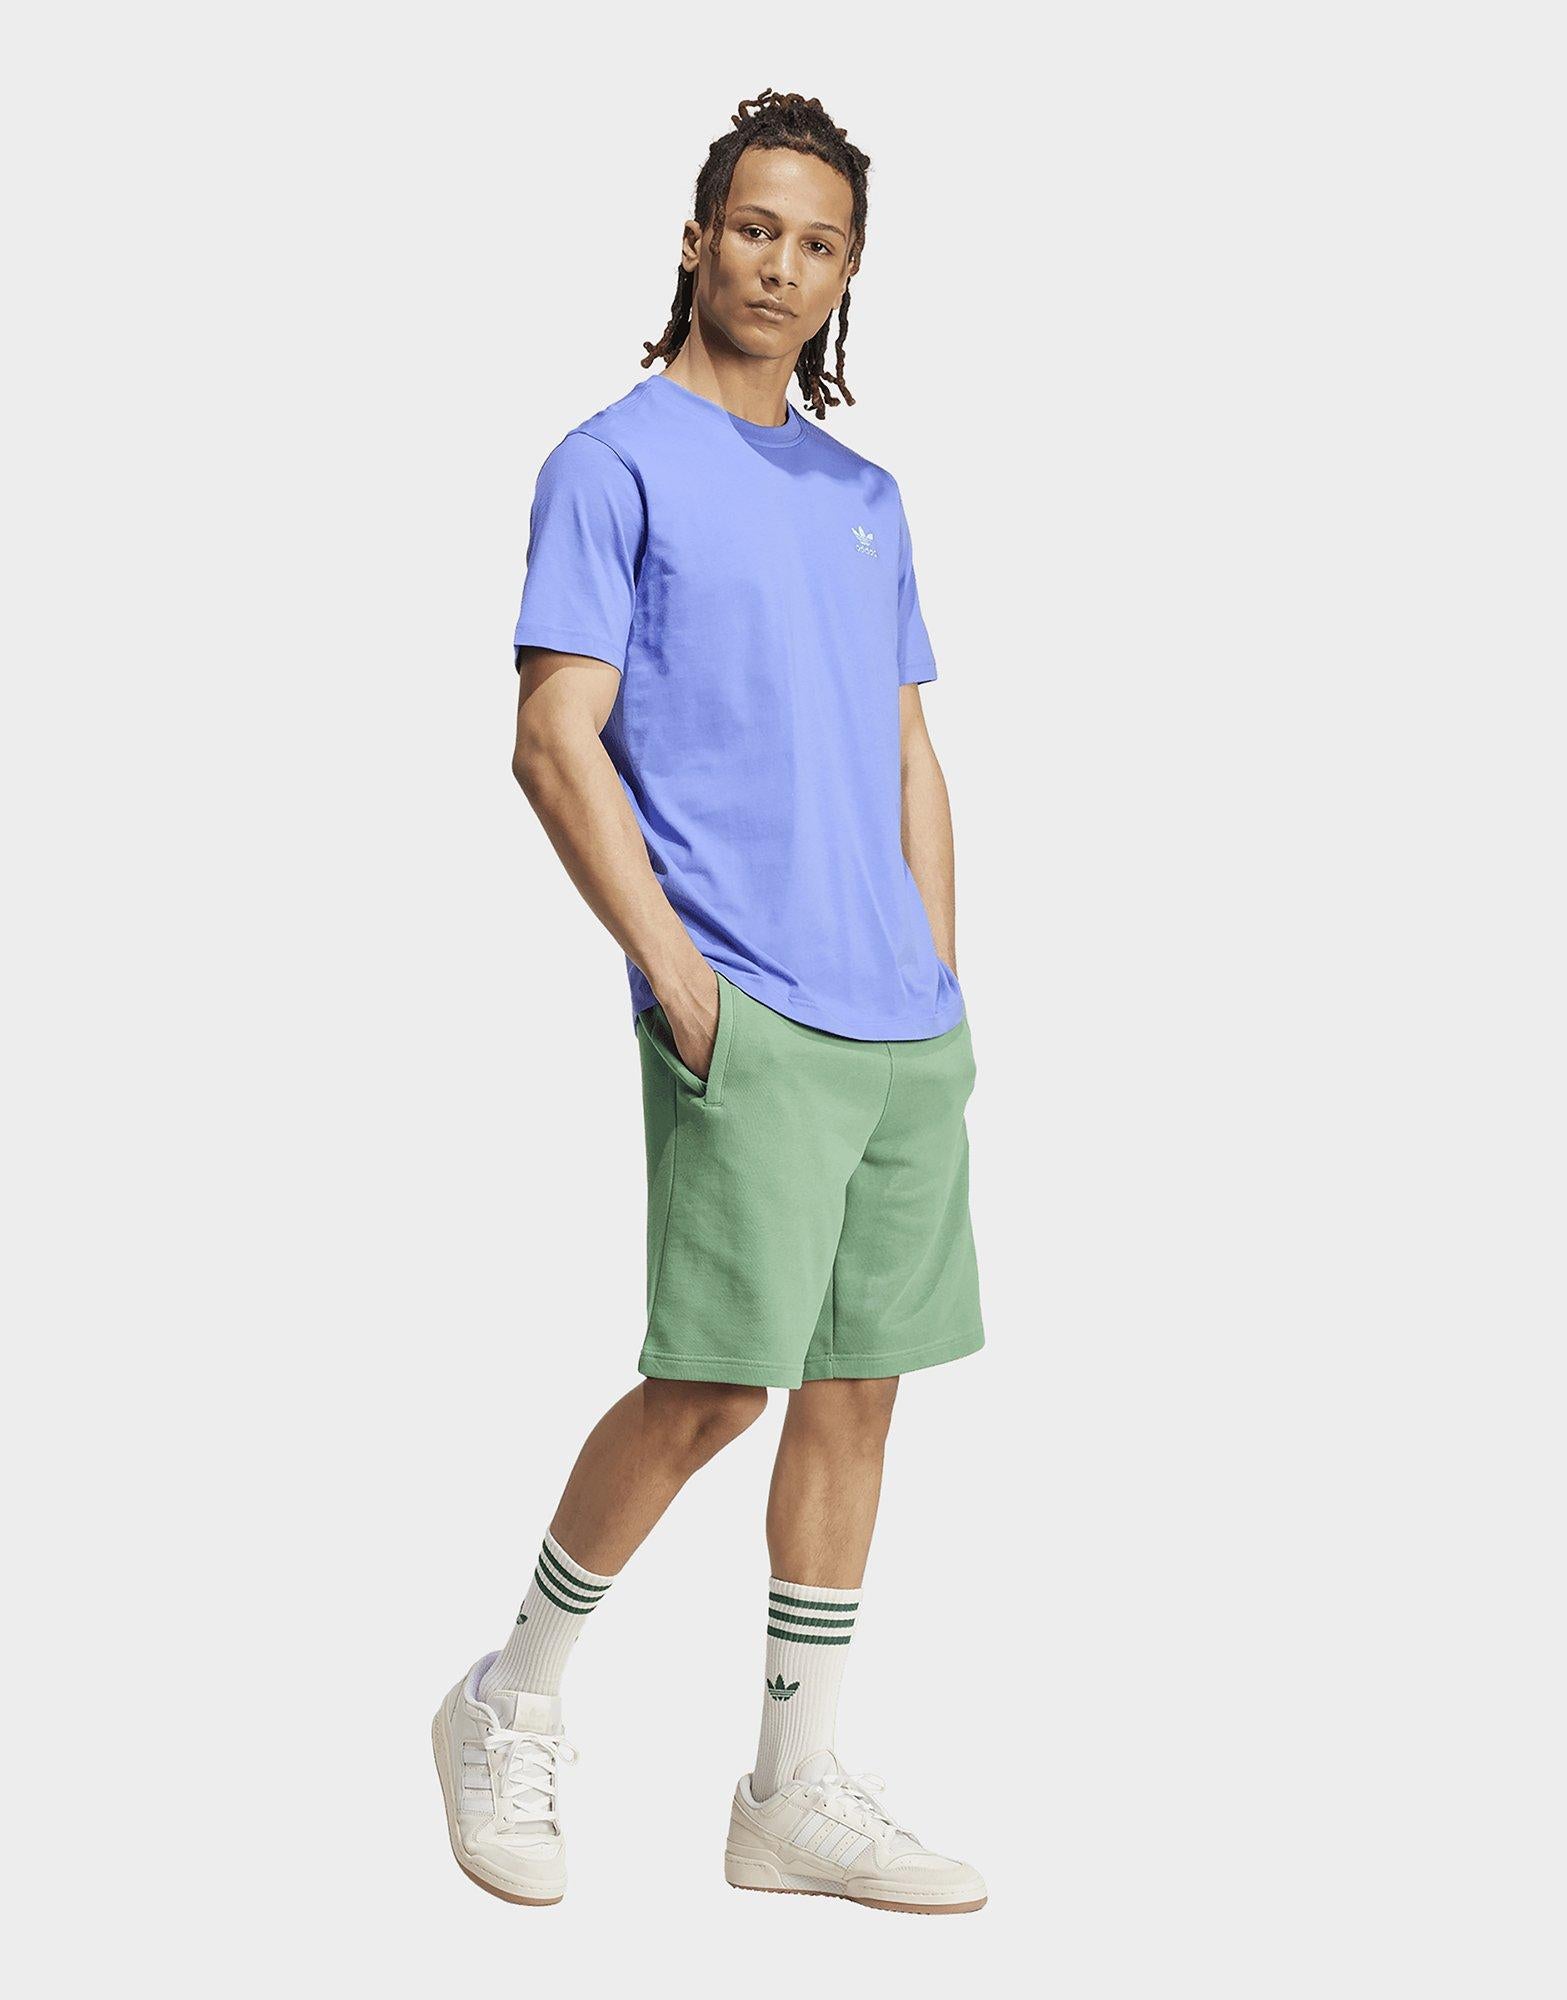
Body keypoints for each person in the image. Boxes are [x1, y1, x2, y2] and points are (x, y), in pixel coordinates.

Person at [433, 87, 987, 1916]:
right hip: (739, 1003)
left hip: (898, 1027)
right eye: (756, 229)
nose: (782, 266)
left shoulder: (864, 499)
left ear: (847, 273)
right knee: (711, 1386)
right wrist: (677, 977)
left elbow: (910, 751)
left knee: (857, 1391)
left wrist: (939, 977)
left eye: (820, 244)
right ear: (697, 237)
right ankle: (511, 1699)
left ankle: (790, 1791)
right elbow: (554, 738)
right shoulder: (614, 464)